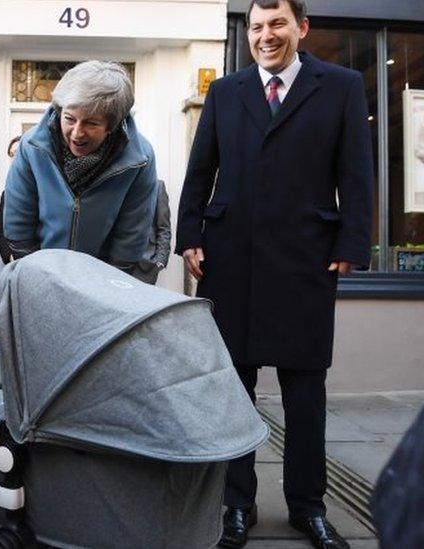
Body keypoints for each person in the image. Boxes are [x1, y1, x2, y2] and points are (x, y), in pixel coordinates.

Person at [175, 1, 374, 547]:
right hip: (230, 258)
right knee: (233, 390)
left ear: (301, 28)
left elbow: (356, 170)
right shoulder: (225, 91)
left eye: (278, 24)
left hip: (305, 260)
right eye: (258, 26)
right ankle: (235, 504)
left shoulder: (341, 86)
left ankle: (308, 507)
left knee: (304, 393)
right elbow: (201, 170)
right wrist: (188, 234)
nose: (266, 36)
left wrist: (353, 240)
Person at [3, 61, 158, 275]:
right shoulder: (32, 146)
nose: (76, 133)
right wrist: (34, 273)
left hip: (102, 275)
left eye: (91, 123)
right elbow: (18, 217)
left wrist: (109, 282)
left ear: (111, 126)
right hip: (40, 269)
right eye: (69, 119)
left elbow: (132, 232)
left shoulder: (140, 158)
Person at [132, 179, 171, 284]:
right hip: (116, 264)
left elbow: (164, 228)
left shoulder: (158, 186)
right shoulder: (119, 185)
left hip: (146, 266)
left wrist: (160, 261)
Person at [0, 135, 22, 265]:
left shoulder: (47, 186)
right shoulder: (7, 194)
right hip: (16, 264)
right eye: (11, 155)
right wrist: (9, 255)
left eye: (17, 152)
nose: (14, 158)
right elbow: (0, 229)